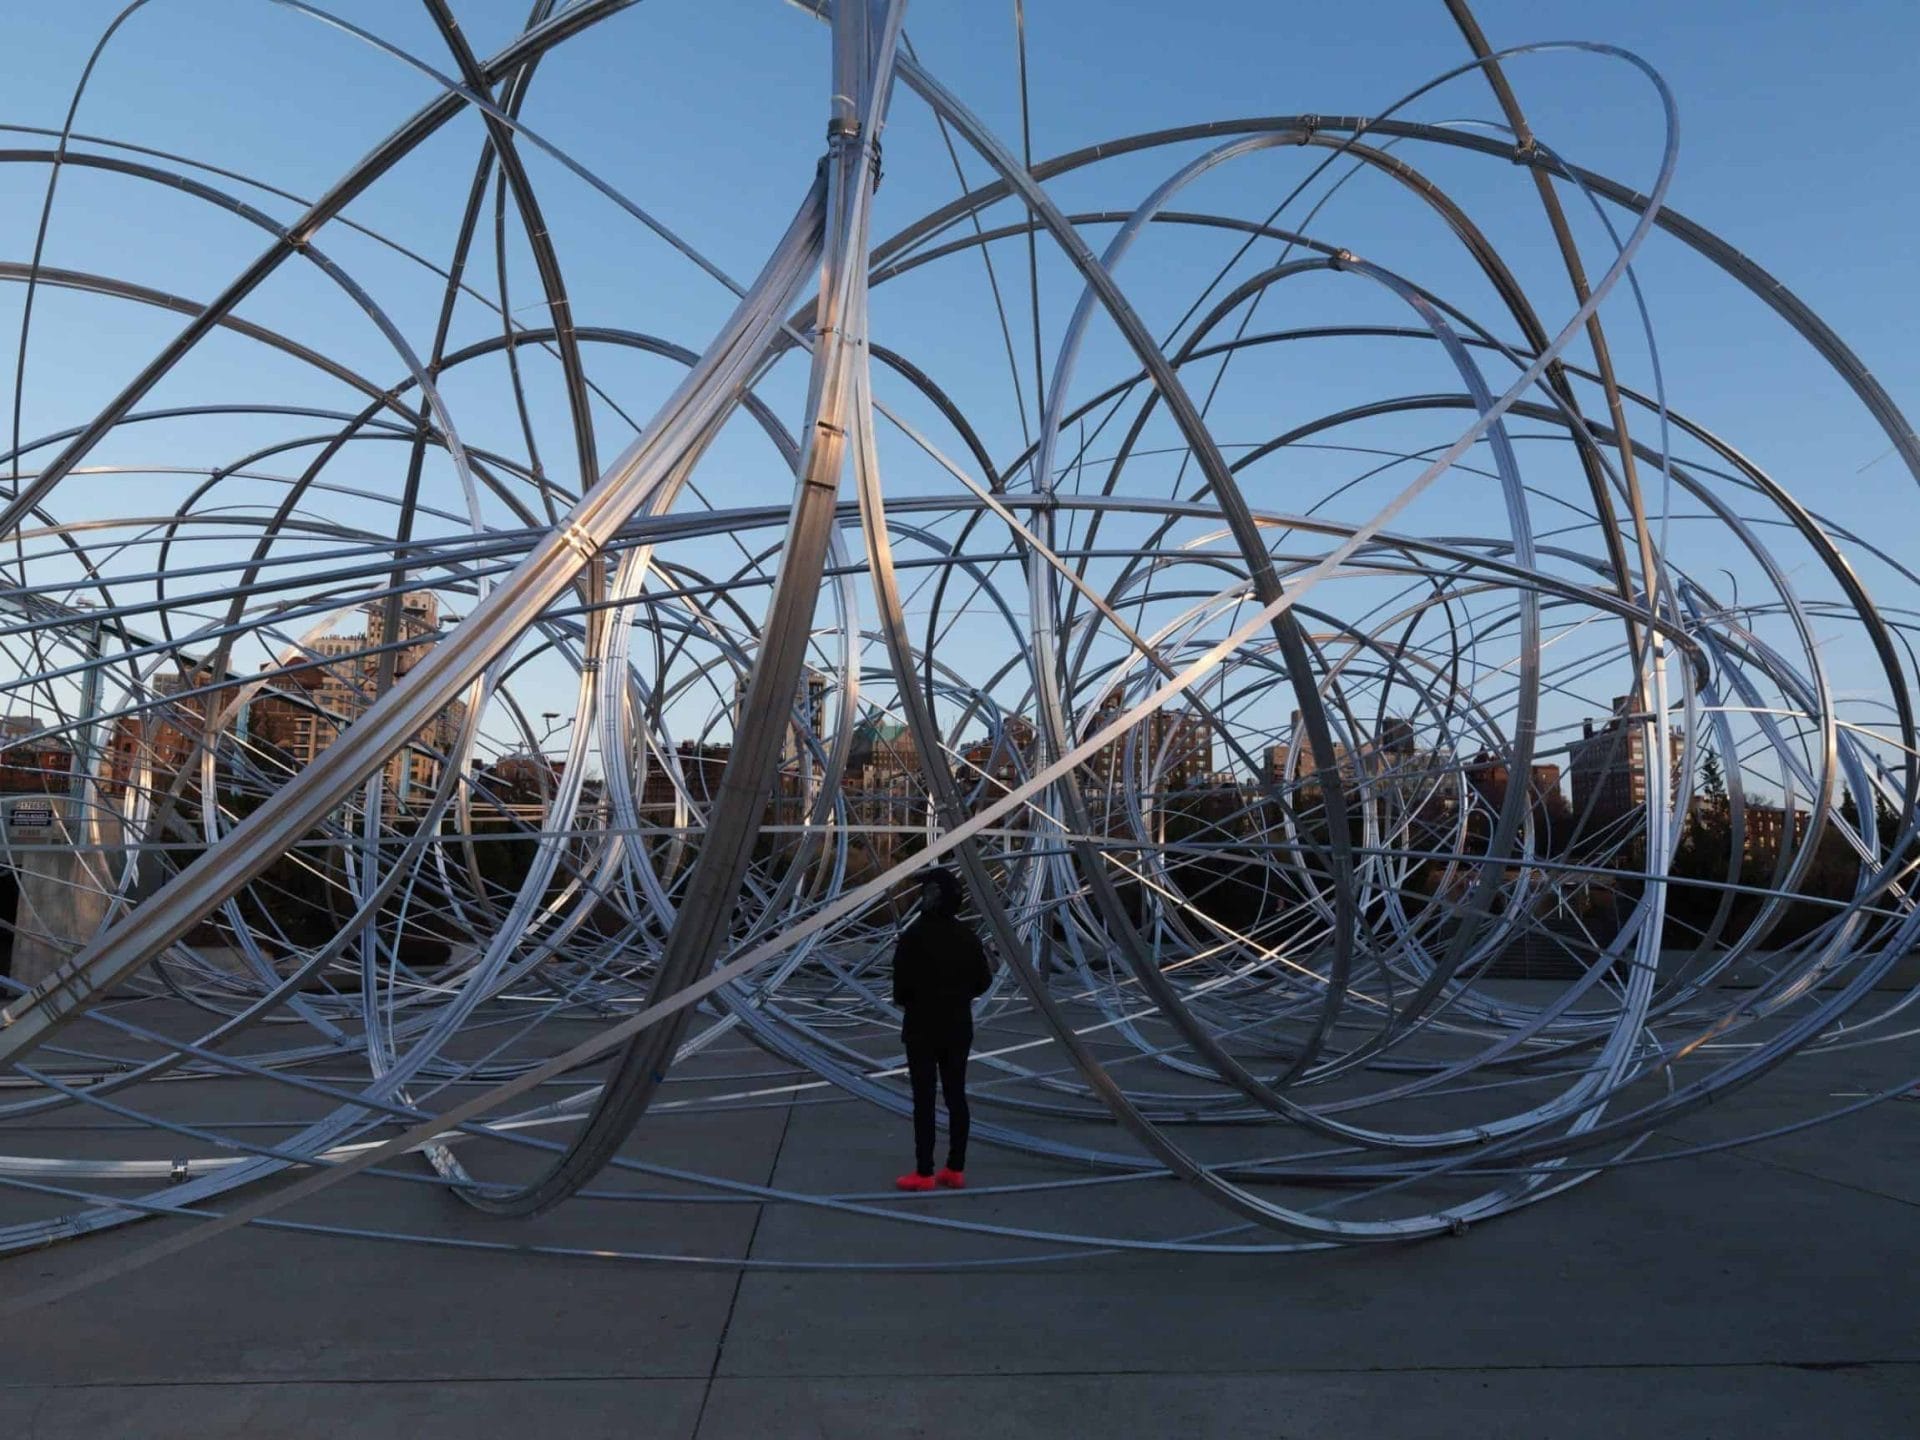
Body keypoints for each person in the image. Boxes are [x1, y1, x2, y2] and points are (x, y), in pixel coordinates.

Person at [890, 866, 992, 1191]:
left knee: (924, 1098)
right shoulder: (967, 936)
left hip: (922, 1027)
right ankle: (955, 1169)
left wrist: (921, 999)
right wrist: (958, 996)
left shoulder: (914, 936)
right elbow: (984, 981)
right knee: (955, 1095)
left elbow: (900, 990)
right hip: (958, 1026)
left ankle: (924, 1172)